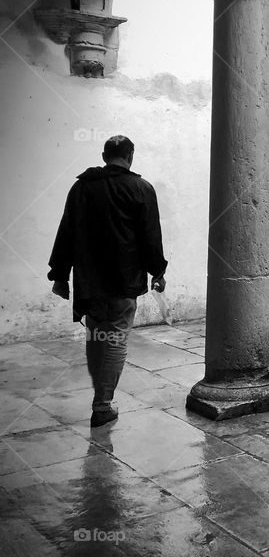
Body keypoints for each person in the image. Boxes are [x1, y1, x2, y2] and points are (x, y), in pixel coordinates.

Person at [48, 135, 167, 427]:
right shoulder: (141, 188)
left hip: (90, 281)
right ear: (131, 156)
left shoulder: (81, 188)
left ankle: (101, 398)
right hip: (124, 280)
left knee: (96, 335)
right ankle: (102, 404)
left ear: (103, 155)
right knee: (115, 339)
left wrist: (61, 275)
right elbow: (150, 235)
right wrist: (158, 272)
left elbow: (67, 232)